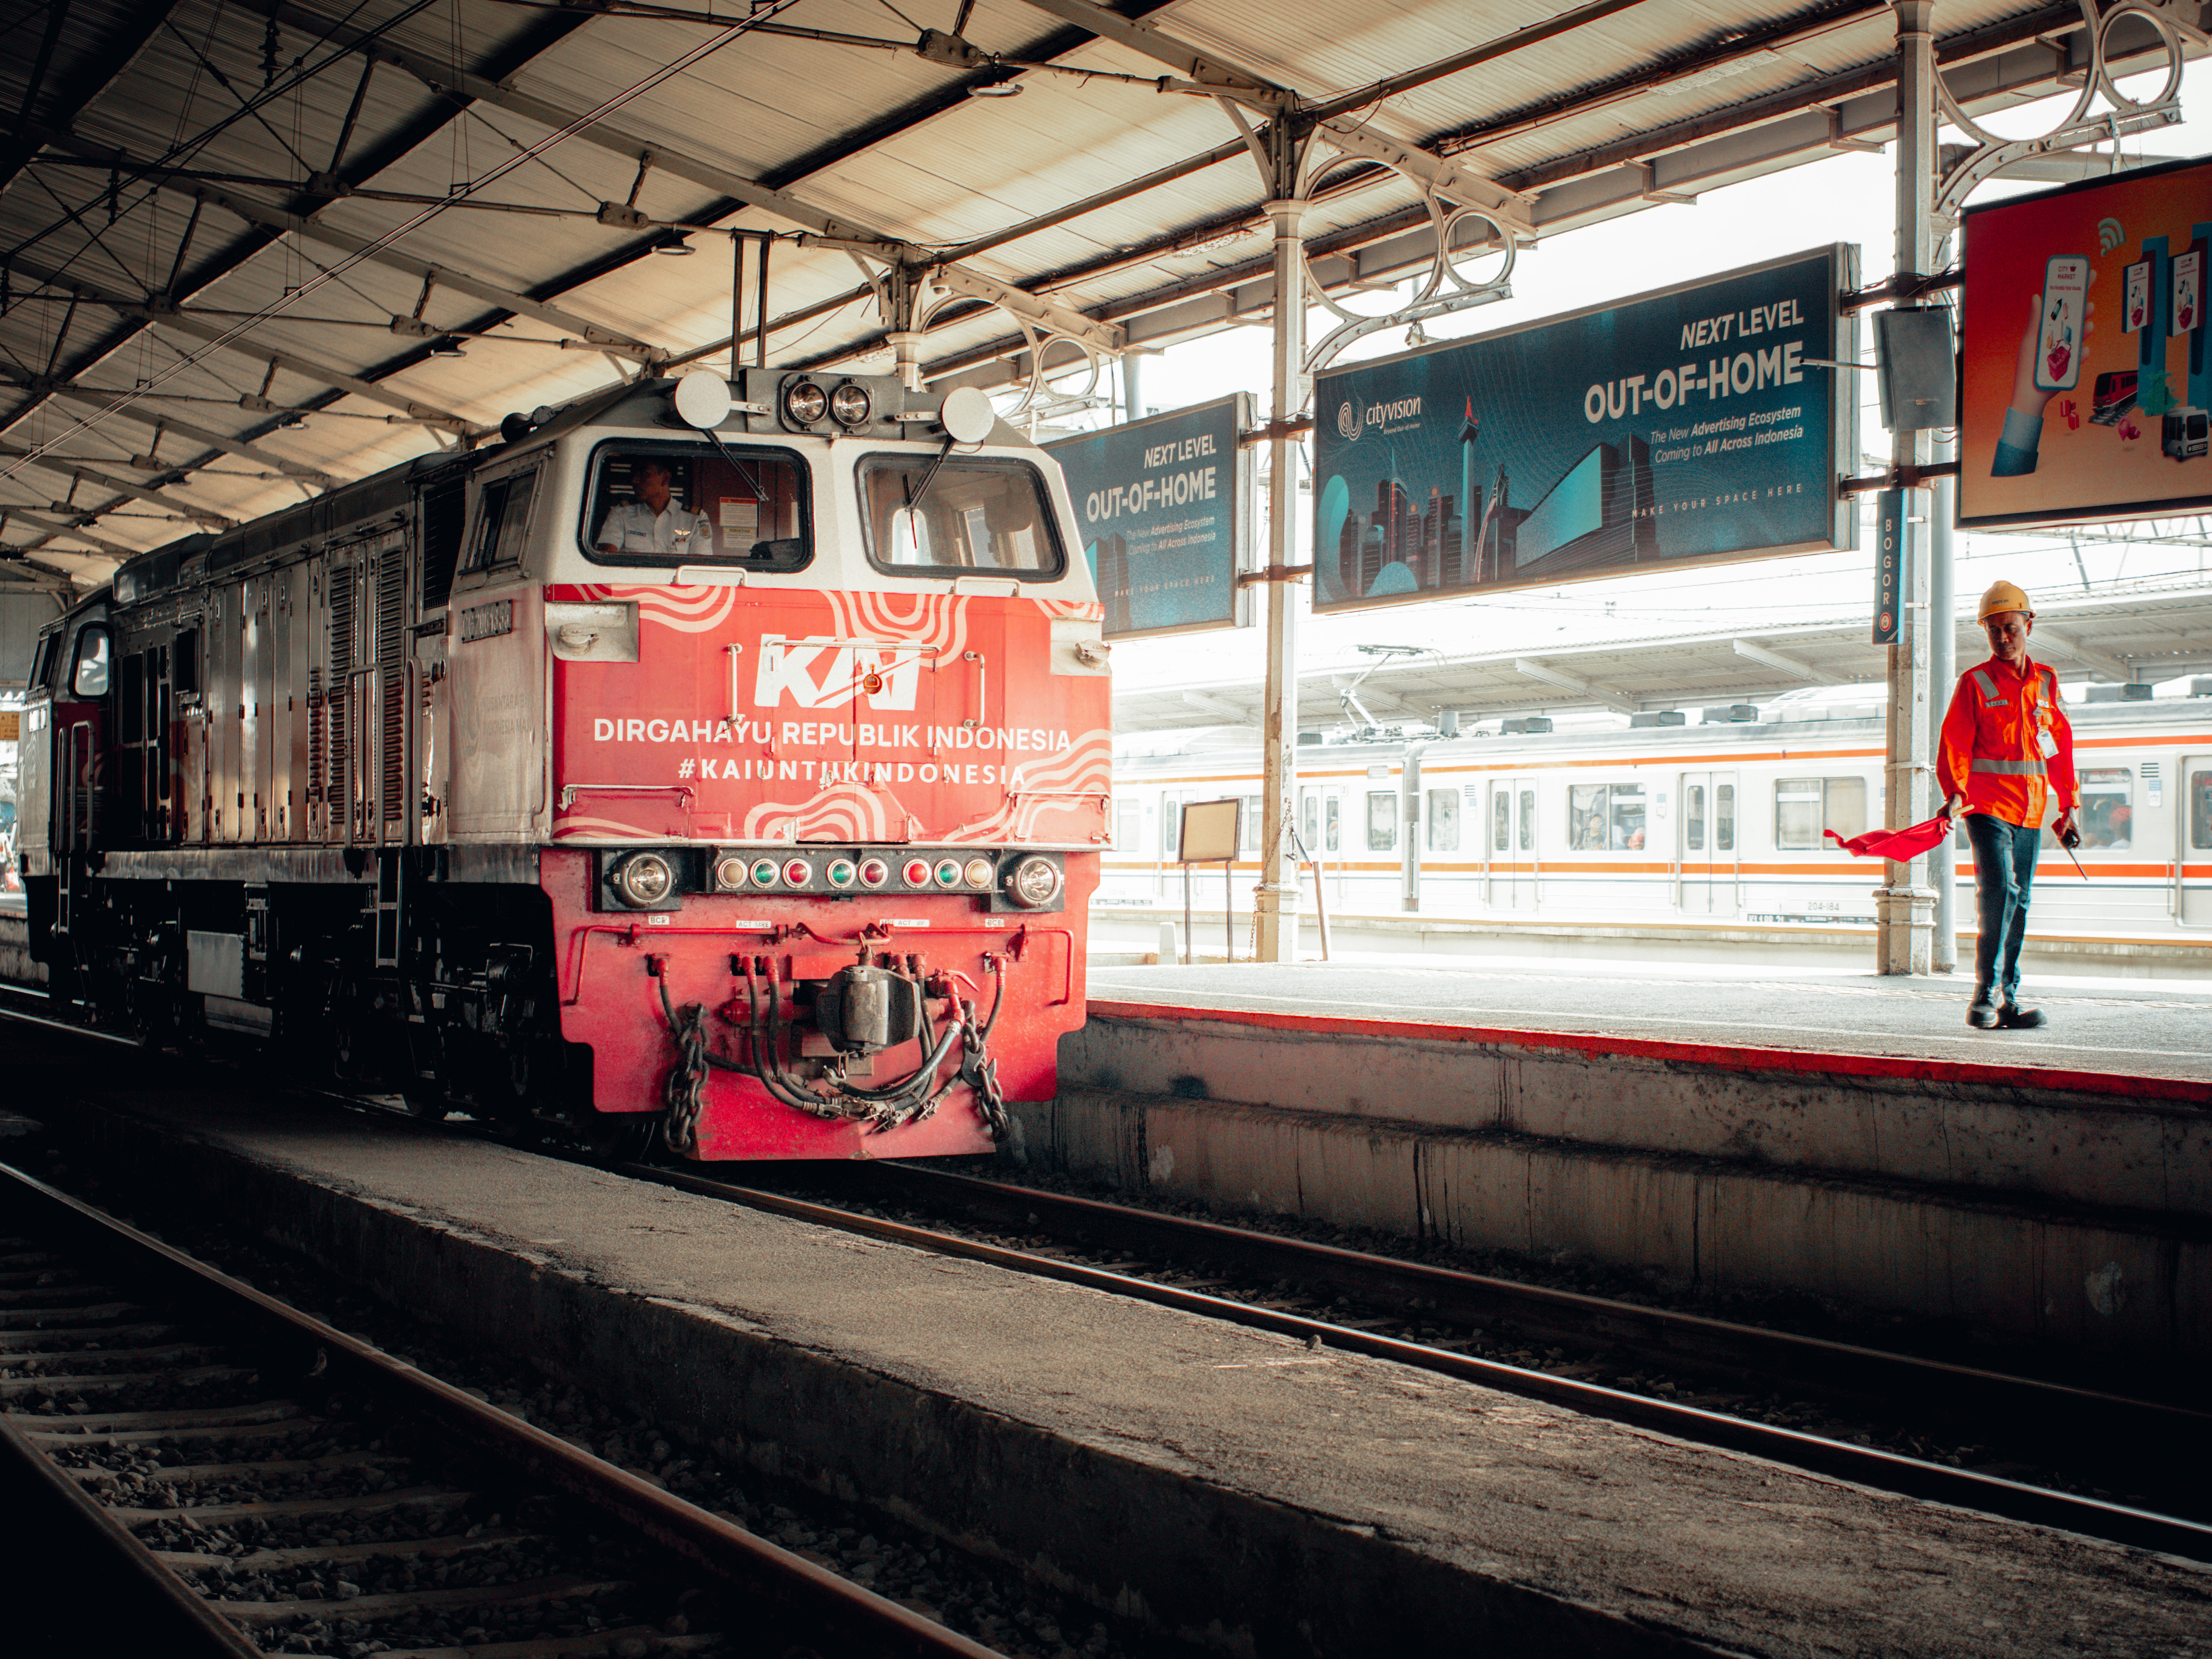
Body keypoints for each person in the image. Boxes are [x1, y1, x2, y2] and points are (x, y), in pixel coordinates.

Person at [1939, 581, 2079, 1029]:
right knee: (2001, 892)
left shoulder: (2046, 683)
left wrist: (2068, 806)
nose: (2003, 637)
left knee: (2021, 900)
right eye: (1994, 629)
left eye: (2011, 628)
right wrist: (1956, 791)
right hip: (1985, 807)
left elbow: (2057, 748)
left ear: (2029, 625)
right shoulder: (1975, 683)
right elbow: (1955, 744)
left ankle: (2009, 1001)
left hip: (2032, 811)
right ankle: (1984, 994)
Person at [594, 457, 712, 557]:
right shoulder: (621, 514)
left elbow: (700, 568)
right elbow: (606, 558)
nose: (635, 480)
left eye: (645, 474)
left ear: (665, 479)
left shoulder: (694, 519)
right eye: (634, 475)